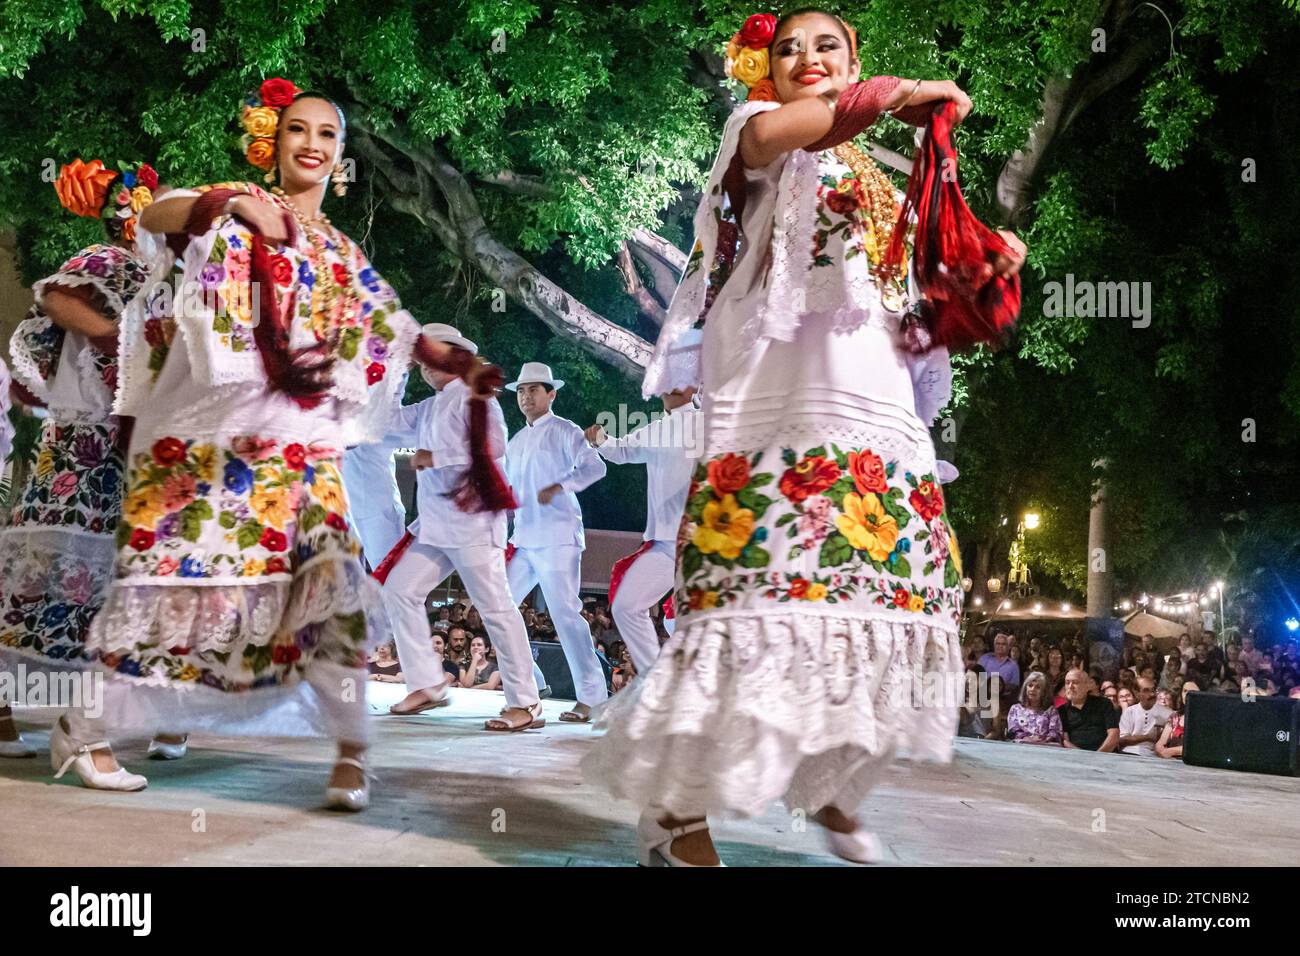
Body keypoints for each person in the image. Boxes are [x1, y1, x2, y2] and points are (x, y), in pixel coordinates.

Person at [585, 9, 1026, 866]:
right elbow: (793, 133)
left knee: (881, 603)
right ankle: (673, 816)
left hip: (875, 406)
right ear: (768, 70)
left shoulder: (880, 177)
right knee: (756, 603)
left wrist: (979, 272)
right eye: (789, 48)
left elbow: (914, 304)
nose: (807, 58)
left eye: (829, 46)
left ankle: (832, 786)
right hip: (778, 404)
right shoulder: (758, 133)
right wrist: (895, 94)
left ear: (852, 56)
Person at [56, 85, 458, 809]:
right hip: (210, 442)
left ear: (340, 157)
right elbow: (153, 213)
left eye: (327, 135)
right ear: (274, 143)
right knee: (166, 586)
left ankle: (351, 756)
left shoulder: (340, 249)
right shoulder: (240, 200)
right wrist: (228, 206)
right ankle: (83, 730)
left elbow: (390, 326)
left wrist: (452, 360)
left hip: (302, 453)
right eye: (298, 130)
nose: (312, 144)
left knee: (330, 591)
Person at [0, 159, 157, 762]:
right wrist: (114, 342)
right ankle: (65, 729)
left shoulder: (171, 284)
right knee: (47, 583)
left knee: (108, 589)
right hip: (79, 445)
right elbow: (58, 299)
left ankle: (96, 723)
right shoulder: (111, 264)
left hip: (126, 454)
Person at [378, 324, 543, 731]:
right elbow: (384, 422)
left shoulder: (477, 396)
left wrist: (437, 456)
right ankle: (428, 684)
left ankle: (527, 703)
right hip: (435, 527)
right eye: (420, 362)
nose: (423, 368)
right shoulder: (431, 406)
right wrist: (394, 370)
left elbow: (495, 446)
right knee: (399, 589)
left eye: (428, 359)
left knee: (496, 609)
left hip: (473, 524)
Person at [585, 355, 703, 675]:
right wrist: (601, 440)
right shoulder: (656, 428)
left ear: (694, 386)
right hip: (665, 542)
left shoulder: (707, 424)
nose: (670, 384)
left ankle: (693, 694)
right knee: (626, 606)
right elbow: (623, 451)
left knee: (682, 620)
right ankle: (654, 686)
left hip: (701, 545)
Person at [504, 361, 608, 722]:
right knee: (497, 608)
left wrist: (560, 486)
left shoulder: (566, 430)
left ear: (551, 394)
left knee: (565, 616)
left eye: (533, 389)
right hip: (525, 539)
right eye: (520, 390)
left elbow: (596, 468)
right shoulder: (515, 442)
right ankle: (532, 684)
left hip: (560, 537)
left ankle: (593, 697)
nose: (525, 396)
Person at [1058, 668, 1120, 752]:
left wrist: (1098, 756)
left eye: (1075, 682)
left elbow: (1114, 733)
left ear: (1087, 686)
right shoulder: (1062, 710)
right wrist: (1085, 757)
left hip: (1106, 755)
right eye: (1067, 683)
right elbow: (1065, 741)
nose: (1070, 686)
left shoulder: (1104, 703)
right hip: (1076, 757)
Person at [1116, 676, 1172, 756]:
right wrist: (1147, 737)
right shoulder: (1130, 712)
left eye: (1153, 690)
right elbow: (1121, 739)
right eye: (1146, 691)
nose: (1152, 694)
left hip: (1153, 757)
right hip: (1129, 753)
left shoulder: (1167, 714)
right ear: (1136, 693)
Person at [1005, 671, 1062, 744]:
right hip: (1021, 745)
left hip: (1044, 746)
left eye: (1038, 687)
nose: (1032, 689)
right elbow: (1013, 731)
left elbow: (1055, 733)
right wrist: (1028, 739)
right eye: (1030, 685)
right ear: (1025, 688)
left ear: (1044, 692)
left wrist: (1041, 741)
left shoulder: (1051, 711)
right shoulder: (1015, 709)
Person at [1156, 682, 1197, 759]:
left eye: (1192, 692)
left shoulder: (1208, 719)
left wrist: (1172, 751)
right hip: (1171, 763)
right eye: (1185, 691)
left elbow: (1199, 747)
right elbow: (1161, 743)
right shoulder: (1175, 716)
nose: (1187, 695)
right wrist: (1160, 749)